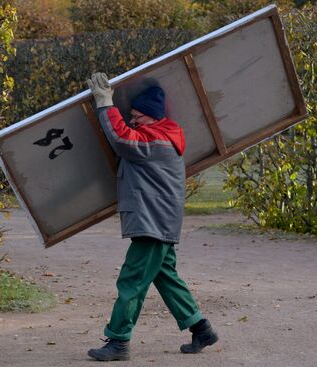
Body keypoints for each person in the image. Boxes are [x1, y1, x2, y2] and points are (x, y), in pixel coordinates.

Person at [86, 72, 218, 361]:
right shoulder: (161, 135)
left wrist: (105, 104)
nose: (133, 121)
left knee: (132, 280)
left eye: (137, 116)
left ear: (153, 117)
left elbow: (121, 138)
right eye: (130, 116)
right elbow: (127, 135)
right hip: (157, 221)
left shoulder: (156, 140)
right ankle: (201, 328)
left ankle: (119, 340)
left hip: (153, 223)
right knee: (164, 275)